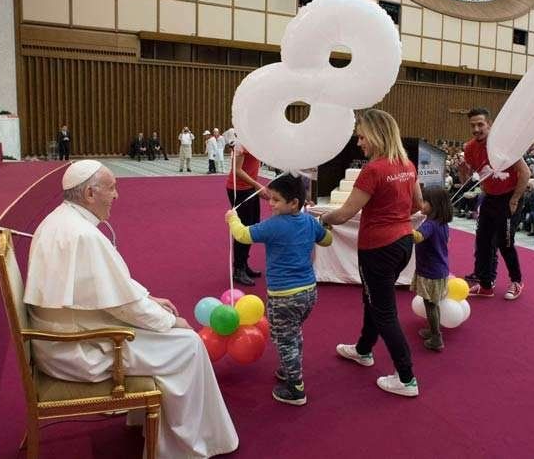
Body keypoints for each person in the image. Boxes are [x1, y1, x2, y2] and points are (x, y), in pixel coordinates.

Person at [24, 160, 238, 458]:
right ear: (89, 193)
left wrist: (148, 299)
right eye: (111, 188)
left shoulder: (60, 220)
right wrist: (169, 321)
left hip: (66, 337)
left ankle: (151, 424)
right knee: (188, 345)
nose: (116, 196)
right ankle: (186, 446)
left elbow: (105, 289)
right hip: (79, 348)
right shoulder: (84, 235)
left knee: (165, 336)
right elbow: (123, 305)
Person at [319, 109, 423, 397]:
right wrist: (395, 216)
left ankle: (406, 377)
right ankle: (364, 349)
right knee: (373, 298)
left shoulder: (374, 170)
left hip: (378, 248)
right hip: (402, 243)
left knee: (385, 311)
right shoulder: (406, 164)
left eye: (362, 137)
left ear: (377, 135)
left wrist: (321, 219)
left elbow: (345, 214)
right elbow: (417, 204)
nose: (359, 143)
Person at [225, 174, 332, 406]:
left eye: (276, 200)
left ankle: (296, 388)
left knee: (285, 339)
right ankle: (288, 368)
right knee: (293, 333)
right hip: (309, 292)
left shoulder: (274, 225)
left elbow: (242, 235)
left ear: (293, 203)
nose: (270, 204)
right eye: (270, 199)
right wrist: (322, 225)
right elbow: (328, 241)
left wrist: (232, 219)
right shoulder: (309, 222)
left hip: (284, 296)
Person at [456, 107, 531, 300]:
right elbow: (468, 179)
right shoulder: (470, 148)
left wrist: (514, 200)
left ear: (489, 125)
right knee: (482, 242)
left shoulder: (504, 144)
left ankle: (516, 281)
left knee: (504, 242)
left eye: (480, 124)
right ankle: (485, 284)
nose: (476, 129)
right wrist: (462, 170)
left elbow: (525, 173)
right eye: (473, 125)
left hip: (509, 198)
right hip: (489, 198)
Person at [411, 187, 452, 352]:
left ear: (434, 205)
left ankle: (436, 337)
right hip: (438, 269)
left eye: (424, 201)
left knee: (430, 304)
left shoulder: (430, 224)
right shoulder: (442, 222)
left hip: (430, 271)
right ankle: (433, 330)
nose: (421, 203)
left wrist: (403, 228)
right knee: (432, 304)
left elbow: (418, 237)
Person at [227, 144, 269, 286]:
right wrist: (258, 185)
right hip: (238, 190)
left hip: (250, 188)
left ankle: (244, 264)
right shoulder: (241, 143)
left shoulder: (255, 140)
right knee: (243, 227)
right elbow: (236, 170)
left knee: (252, 225)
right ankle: (238, 269)